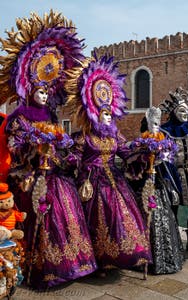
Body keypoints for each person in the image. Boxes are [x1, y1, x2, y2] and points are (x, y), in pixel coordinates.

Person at [0, 10, 97, 289]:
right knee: (39, 213)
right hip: (31, 174)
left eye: (46, 91)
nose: (44, 95)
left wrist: (61, 151)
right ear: (30, 90)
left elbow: (63, 144)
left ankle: (73, 265)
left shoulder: (53, 118)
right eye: (40, 91)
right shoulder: (20, 115)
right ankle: (40, 267)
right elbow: (14, 146)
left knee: (66, 209)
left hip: (53, 174)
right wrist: (34, 149)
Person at [66, 55, 152, 275]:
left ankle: (124, 255)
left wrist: (147, 152)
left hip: (114, 181)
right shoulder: (84, 136)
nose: (108, 118)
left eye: (109, 114)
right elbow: (73, 157)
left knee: (123, 217)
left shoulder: (115, 137)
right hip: (91, 184)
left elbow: (127, 153)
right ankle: (99, 261)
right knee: (97, 221)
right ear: (95, 114)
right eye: (104, 114)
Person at [130, 107, 184, 274]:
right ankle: (143, 259)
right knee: (144, 220)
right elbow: (133, 168)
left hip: (159, 188)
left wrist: (173, 187)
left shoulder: (163, 142)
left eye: (158, 123)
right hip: (145, 189)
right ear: (147, 123)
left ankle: (165, 258)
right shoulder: (141, 143)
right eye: (153, 123)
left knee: (164, 220)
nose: (156, 126)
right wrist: (145, 161)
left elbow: (169, 169)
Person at [160, 87, 188, 253]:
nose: (184, 114)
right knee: (173, 209)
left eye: (186, 111)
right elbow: (164, 158)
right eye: (181, 110)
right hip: (174, 175)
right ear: (174, 112)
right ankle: (174, 241)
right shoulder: (165, 131)